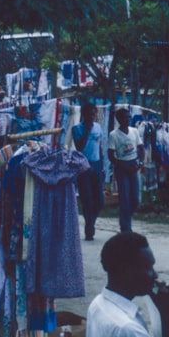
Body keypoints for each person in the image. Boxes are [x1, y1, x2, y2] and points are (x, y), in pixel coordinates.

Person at [86, 231, 169, 337]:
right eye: (148, 267)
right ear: (125, 271)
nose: (155, 275)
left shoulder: (98, 304)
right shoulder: (127, 328)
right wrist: (167, 315)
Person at [108, 107, 144, 232]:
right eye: (124, 117)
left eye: (129, 117)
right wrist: (123, 166)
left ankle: (126, 218)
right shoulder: (113, 135)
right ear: (119, 119)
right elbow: (111, 156)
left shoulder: (134, 131)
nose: (127, 119)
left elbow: (141, 148)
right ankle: (126, 227)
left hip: (134, 165)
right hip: (122, 167)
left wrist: (140, 163)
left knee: (135, 199)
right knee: (125, 198)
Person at [73, 103, 105, 240]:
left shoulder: (98, 127)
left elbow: (100, 146)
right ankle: (89, 227)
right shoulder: (77, 128)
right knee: (87, 199)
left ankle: (91, 222)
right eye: (90, 114)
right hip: (83, 165)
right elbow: (79, 146)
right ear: (84, 115)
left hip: (96, 164)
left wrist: (102, 166)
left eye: (94, 114)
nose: (92, 117)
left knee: (100, 199)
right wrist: (87, 130)